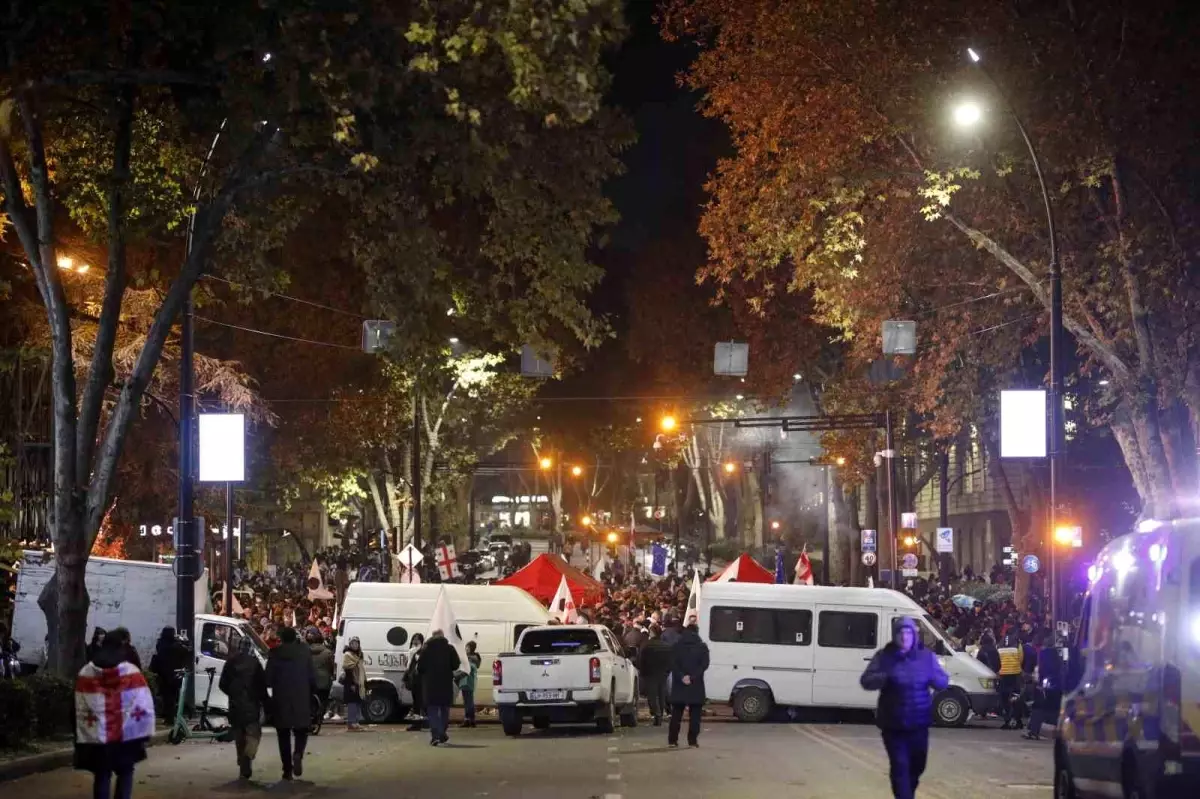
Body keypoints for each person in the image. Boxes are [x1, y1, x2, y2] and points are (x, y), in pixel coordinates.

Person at [859, 616, 950, 799]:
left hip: (919, 725)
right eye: (900, 632)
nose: (904, 636)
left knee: (917, 767)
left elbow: (942, 681)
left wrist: (936, 677)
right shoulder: (885, 656)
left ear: (914, 635)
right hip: (894, 725)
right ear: (895, 635)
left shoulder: (926, 657)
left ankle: (907, 792)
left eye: (908, 632)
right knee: (900, 765)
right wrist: (886, 676)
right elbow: (866, 680)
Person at [74, 627, 155, 799]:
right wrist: (144, 733)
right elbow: (143, 703)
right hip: (126, 736)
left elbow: (77, 705)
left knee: (102, 774)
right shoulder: (131, 673)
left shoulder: (86, 672)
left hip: (97, 735)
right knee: (125, 773)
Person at [265, 627, 317, 781]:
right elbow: (311, 676)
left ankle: (287, 769)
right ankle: (298, 754)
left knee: (283, 734)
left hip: (281, 698)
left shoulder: (274, 654)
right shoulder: (304, 652)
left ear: (281, 638)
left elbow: (267, 678)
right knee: (301, 730)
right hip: (301, 697)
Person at [219, 635, 269, 780]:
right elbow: (262, 685)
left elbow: (222, 684)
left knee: (239, 735)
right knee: (253, 733)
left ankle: (242, 764)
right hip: (251, 704)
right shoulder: (255, 663)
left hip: (235, 705)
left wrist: (232, 694)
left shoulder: (230, 663)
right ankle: (248, 756)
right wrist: (265, 701)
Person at [666, 615, 709, 748]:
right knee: (695, 715)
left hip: (680, 684)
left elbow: (673, 663)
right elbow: (704, 665)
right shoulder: (702, 647)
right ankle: (692, 741)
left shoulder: (677, 646)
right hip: (696, 684)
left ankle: (673, 740)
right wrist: (693, 677)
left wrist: (682, 676)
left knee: (676, 714)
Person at [417, 629, 461, 746]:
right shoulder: (449, 648)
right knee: (444, 710)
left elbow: (420, 667)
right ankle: (442, 732)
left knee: (432, 711)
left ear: (432, 636)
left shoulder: (426, 649)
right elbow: (456, 665)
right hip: (445, 684)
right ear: (443, 636)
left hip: (430, 685)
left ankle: (436, 735)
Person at [1024, 633, 1063, 741]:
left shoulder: (1044, 653)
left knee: (1039, 707)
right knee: (1051, 708)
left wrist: (1039, 683)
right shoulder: (1058, 654)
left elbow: (1042, 669)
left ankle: (1033, 730)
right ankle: (1034, 730)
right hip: (1055, 685)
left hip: (1045, 685)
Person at [638, 624, 672, 726]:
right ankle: (660, 713)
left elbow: (641, 661)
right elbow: (671, 661)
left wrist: (642, 672)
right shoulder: (667, 646)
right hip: (662, 673)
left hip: (650, 673)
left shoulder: (646, 645)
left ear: (651, 633)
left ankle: (656, 714)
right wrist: (667, 671)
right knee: (662, 694)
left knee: (652, 695)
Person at [148, 628, 185, 719]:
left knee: (165, 695)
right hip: (172, 673)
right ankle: (171, 716)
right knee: (172, 696)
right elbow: (183, 652)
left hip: (162, 673)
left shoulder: (160, 644)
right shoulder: (175, 645)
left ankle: (166, 714)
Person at [306, 628, 335, 721]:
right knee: (323, 700)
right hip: (324, 682)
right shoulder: (327, 652)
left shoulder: (305, 652)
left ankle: (310, 716)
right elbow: (331, 667)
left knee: (310, 700)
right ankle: (319, 717)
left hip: (309, 681)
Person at [341, 636, 367, 731]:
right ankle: (351, 723)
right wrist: (351, 684)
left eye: (356, 643)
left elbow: (361, 668)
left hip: (359, 682)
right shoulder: (348, 654)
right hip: (351, 682)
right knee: (352, 703)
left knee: (358, 702)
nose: (354, 645)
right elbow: (347, 669)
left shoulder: (359, 654)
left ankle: (356, 722)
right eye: (352, 643)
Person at [404, 633, 426, 731]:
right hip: (414, 678)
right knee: (417, 701)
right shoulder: (414, 650)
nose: (415, 641)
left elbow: (411, 665)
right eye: (414, 639)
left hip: (417, 678)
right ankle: (419, 722)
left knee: (417, 702)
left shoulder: (417, 651)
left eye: (417, 639)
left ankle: (417, 724)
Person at [458, 640, 481, 728]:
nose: (466, 649)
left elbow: (473, 667)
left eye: (467, 647)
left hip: (468, 681)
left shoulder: (473, 657)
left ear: (471, 648)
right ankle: (469, 719)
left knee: (469, 701)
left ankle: (470, 719)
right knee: (467, 701)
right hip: (465, 681)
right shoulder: (468, 657)